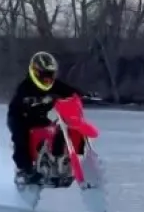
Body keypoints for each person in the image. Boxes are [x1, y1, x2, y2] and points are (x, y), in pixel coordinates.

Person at [7, 51, 88, 180]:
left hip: (39, 117)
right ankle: (24, 169)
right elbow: (19, 100)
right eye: (45, 75)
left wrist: (84, 95)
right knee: (20, 136)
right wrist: (30, 101)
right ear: (35, 72)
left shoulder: (54, 85)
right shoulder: (25, 87)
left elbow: (70, 91)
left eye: (50, 75)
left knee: (58, 130)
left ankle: (60, 160)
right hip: (20, 117)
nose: (48, 79)